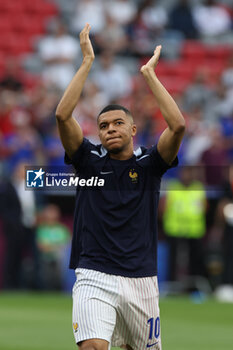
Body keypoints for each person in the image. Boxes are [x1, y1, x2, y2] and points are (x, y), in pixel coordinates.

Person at [55, 24, 185, 350]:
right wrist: (86, 61)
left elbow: (178, 125)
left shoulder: (150, 166)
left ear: (133, 129)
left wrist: (149, 75)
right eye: (103, 126)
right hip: (94, 274)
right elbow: (62, 115)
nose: (110, 129)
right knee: (94, 347)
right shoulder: (87, 162)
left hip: (141, 279)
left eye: (117, 123)